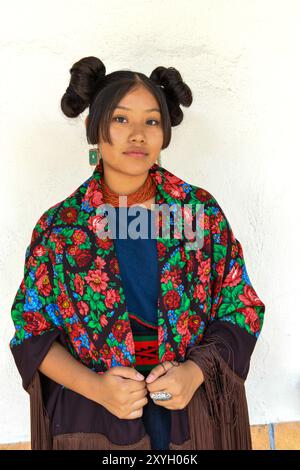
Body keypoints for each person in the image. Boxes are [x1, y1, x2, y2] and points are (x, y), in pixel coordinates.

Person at [9, 56, 266, 450]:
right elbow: (32, 333)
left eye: (151, 121)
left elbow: (241, 308)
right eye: (120, 119)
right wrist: (96, 387)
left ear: (164, 133)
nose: (137, 135)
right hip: (98, 415)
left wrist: (194, 373)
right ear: (94, 127)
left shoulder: (198, 213)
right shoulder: (60, 229)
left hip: (189, 410)